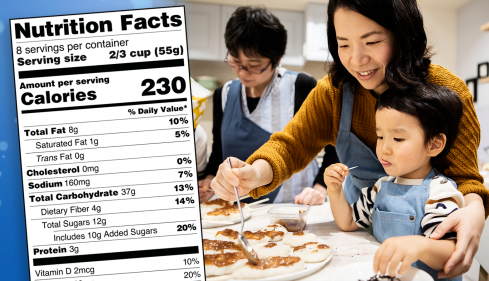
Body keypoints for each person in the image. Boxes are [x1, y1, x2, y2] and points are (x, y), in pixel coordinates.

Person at [210, 0, 489, 278]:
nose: (356, 60)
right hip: (360, 245)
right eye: (343, 44)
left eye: (371, 42)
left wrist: (474, 213)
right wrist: (253, 173)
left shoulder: (446, 92)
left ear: (403, 34)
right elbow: (291, 145)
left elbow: (465, 180)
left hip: (428, 255)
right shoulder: (335, 91)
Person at [325, 84, 464, 280]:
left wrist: (418, 246)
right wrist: (334, 190)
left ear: (434, 144)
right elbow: (348, 221)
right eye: (380, 136)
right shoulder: (381, 186)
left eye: (398, 138)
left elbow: (451, 254)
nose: (384, 148)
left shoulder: (439, 192)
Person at [198, 6, 330, 205]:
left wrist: (320, 188)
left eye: (254, 66)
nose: (243, 72)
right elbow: (219, 151)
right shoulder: (223, 94)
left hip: (293, 205)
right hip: (236, 209)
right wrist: (209, 181)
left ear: (277, 60)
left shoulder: (301, 86)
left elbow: (334, 145)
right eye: (236, 62)